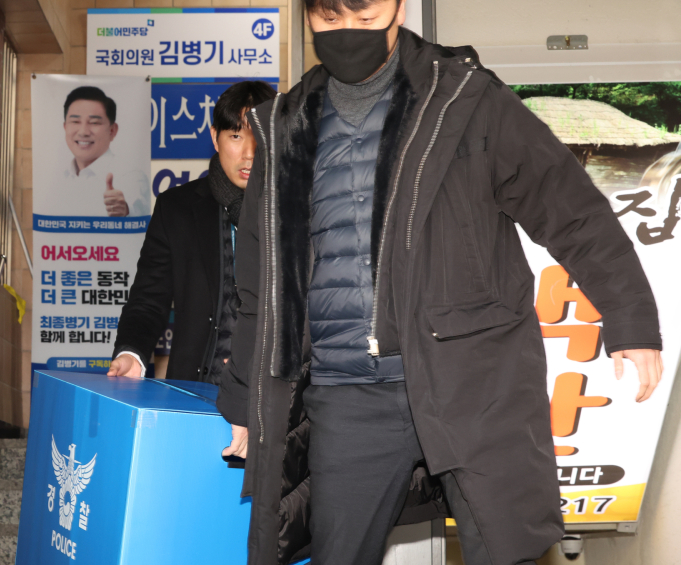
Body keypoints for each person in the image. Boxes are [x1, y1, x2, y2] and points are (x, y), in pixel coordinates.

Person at [215, 1, 665, 564]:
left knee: (504, 549)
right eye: (330, 21)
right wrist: (245, 400)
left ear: (398, 8)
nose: (348, 33)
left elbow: (570, 209)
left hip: (470, 379)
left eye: (365, 17)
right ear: (308, 17)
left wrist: (631, 320)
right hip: (345, 394)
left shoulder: (465, 98)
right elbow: (260, 286)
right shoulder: (285, 125)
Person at [108, 81, 277, 383]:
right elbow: (148, 299)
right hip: (195, 390)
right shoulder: (177, 208)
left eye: (259, 135)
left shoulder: (299, 209)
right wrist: (131, 353)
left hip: (274, 392)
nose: (249, 153)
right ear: (215, 138)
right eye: (236, 136)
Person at [52, 86, 150, 217]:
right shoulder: (59, 177)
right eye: (75, 121)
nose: (83, 132)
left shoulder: (130, 175)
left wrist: (125, 210)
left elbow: (138, 209)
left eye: (94, 122)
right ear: (65, 127)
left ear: (112, 131)